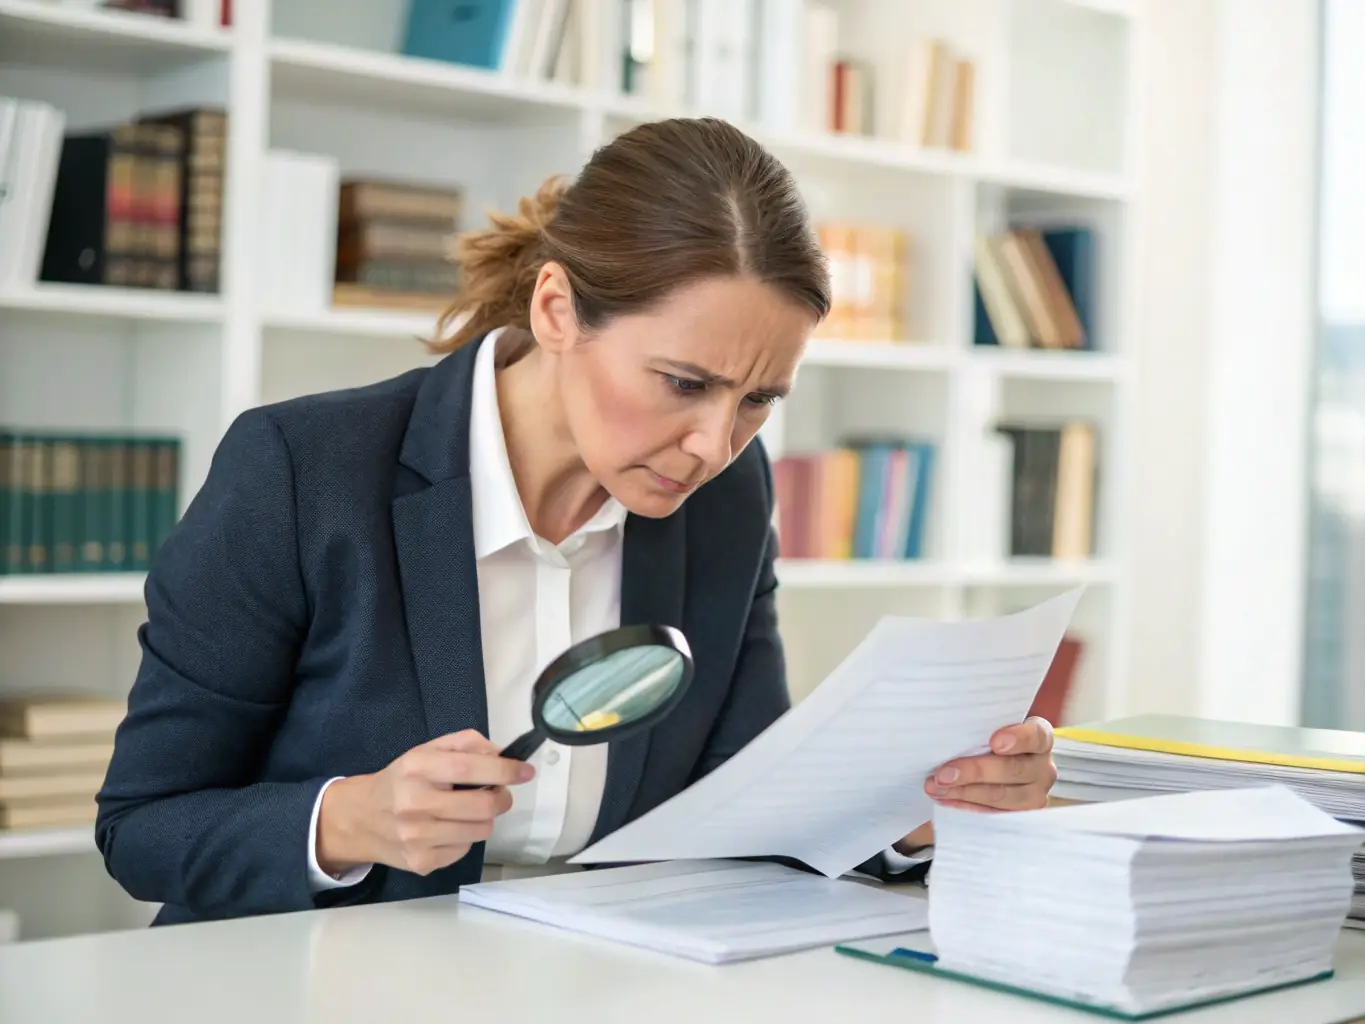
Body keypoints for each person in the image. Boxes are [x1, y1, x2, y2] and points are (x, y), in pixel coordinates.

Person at [94, 117, 1058, 926]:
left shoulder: (727, 495)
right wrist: (348, 820)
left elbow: (741, 803)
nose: (712, 444)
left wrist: (913, 815)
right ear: (556, 307)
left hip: (600, 974)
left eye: (759, 399)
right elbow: (141, 826)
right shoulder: (302, 472)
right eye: (684, 384)